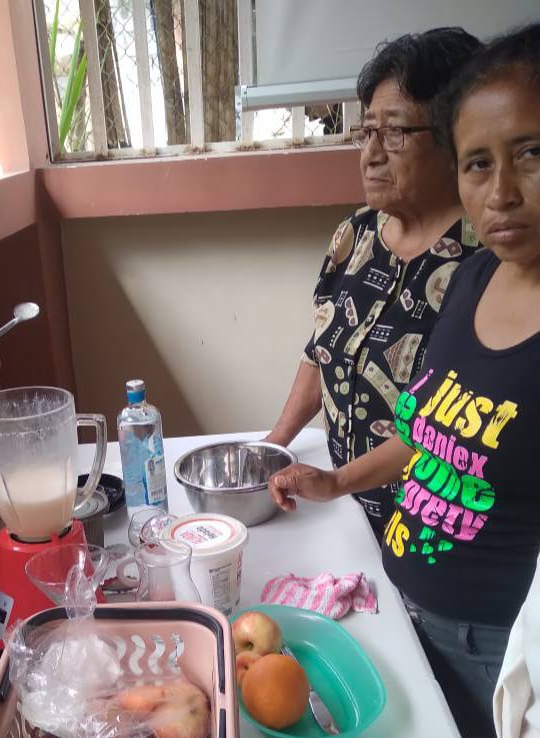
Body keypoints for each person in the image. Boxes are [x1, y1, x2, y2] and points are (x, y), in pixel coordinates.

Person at [270, 22, 540, 738]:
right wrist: (331, 479)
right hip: (399, 583)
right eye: (480, 162)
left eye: (531, 153)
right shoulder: (479, 281)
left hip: (494, 637)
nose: (502, 191)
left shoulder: (465, 260)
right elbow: (427, 430)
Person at [266, 27, 483, 540]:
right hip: (344, 514)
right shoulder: (356, 234)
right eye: (366, 133)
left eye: (395, 133)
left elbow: (447, 429)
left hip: (430, 534)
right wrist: (272, 448)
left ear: (455, 137)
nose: (371, 154)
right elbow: (320, 351)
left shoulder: (485, 263)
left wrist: (337, 482)